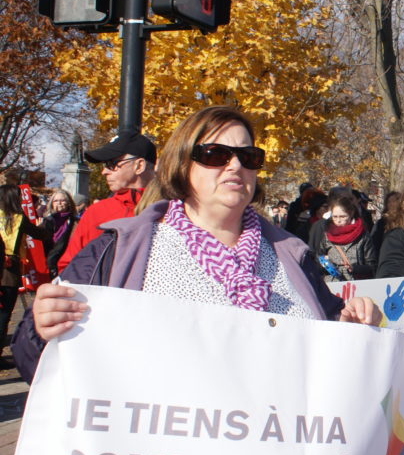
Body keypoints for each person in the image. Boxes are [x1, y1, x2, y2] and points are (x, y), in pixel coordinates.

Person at [12, 106, 380, 384]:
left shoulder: (292, 255)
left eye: (248, 157)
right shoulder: (123, 247)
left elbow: (332, 348)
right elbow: (35, 360)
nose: (235, 166)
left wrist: (350, 322)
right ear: (182, 165)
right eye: (215, 155)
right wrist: (41, 329)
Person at [57, 131, 157, 272]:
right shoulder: (97, 212)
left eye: (112, 164)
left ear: (139, 166)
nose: (104, 171)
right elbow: (69, 267)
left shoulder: (176, 210)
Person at [0, 185, 48, 343]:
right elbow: (40, 234)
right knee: (5, 310)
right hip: (9, 268)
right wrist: (44, 224)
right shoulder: (19, 218)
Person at [308, 192, 377, 281]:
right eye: (335, 217)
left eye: (342, 216)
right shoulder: (327, 235)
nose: (338, 220)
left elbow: (372, 266)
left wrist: (355, 268)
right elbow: (317, 261)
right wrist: (326, 265)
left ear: (351, 214)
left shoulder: (363, 236)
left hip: (356, 286)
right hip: (332, 288)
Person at [41, 188, 78, 278]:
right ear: (52, 204)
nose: (59, 203)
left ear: (68, 202)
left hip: (67, 259)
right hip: (49, 258)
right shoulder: (48, 221)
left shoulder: (75, 221)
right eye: (56, 201)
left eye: (62, 200)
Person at [370, 191, 401, 256]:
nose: (391, 204)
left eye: (394, 201)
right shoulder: (381, 223)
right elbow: (374, 243)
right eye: (389, 202)